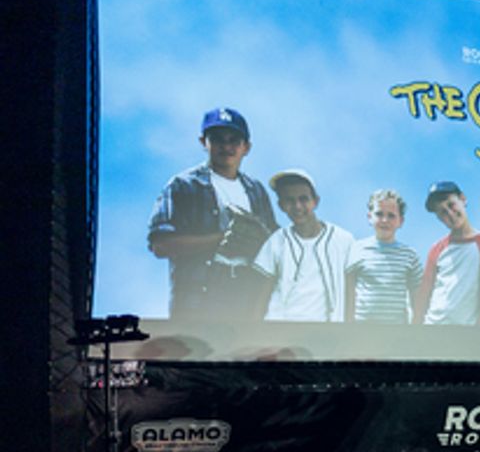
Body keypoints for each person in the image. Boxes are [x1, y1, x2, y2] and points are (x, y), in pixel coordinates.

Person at [147, 107, 278, 319]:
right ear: (203, 142)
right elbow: (161, 245)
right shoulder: (183, 185)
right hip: (197, 306)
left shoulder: (256, 191)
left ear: (247, 147)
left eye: (234, 140)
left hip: (248, 307)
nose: (226, 146)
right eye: (217, 139)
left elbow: (275, 250)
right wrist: (221, 240)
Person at [250, 169, 355, 321]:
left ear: (316, 201)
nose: (297, 206)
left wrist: (349, 328)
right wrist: (256, 330)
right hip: (280, 327)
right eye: (289, 200)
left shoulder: (343, 240)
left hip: (328, 329)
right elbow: (261, 293)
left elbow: (352, 290)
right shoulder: (276, 241)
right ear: (281, 205)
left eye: (303, 199)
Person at [417, 180, 480, 325]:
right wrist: (416, 327)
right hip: (432, 326)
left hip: (464, 333)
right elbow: (425, 293)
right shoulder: (437, 249)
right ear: (439, 218)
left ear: (463, 199)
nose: (450, 214)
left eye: (451, 204)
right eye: (442, 212)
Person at [345, 189, 423, 324]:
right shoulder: (356, 249)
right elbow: (348, 295)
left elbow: (418, 299)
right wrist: (348, 327)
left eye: (391, 215)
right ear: (370, 217)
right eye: (379, 214)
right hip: (362, 330)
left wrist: (416, 331)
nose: (385, 220)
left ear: (401, 221)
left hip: (397, 334)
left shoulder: (410, 255)